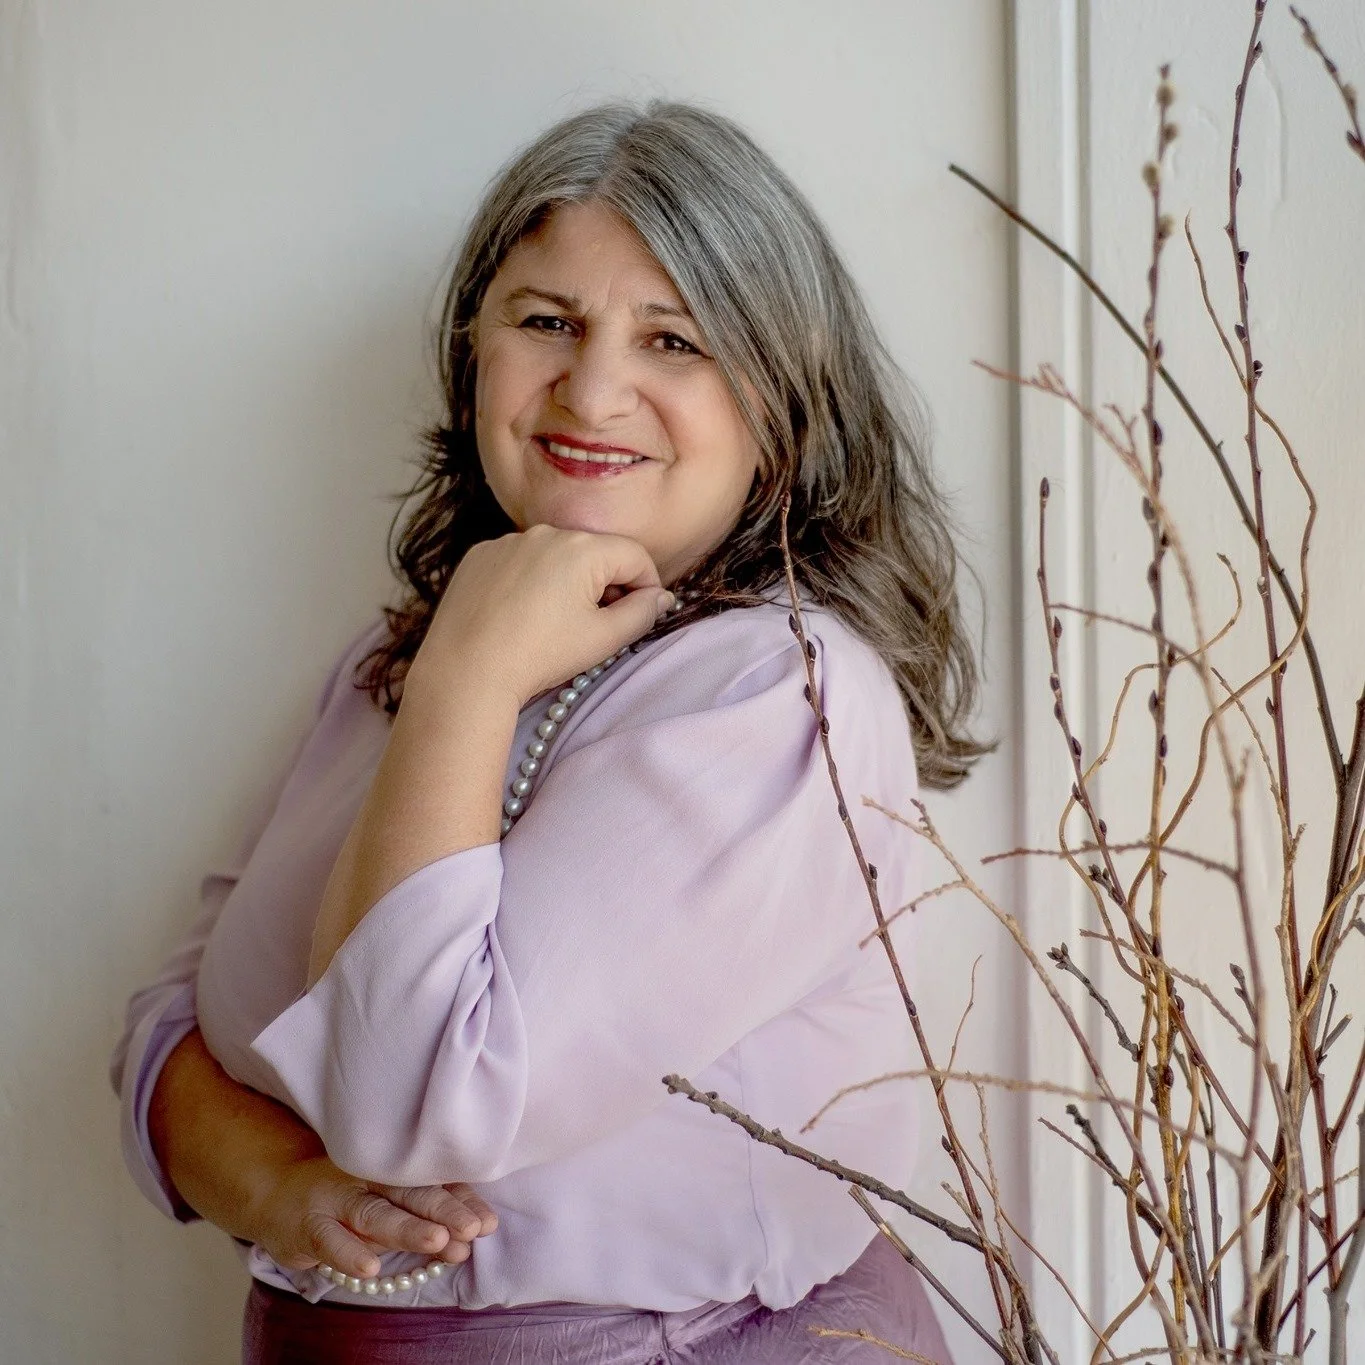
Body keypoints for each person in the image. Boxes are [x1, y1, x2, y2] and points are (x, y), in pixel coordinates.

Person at [111, 100, 987, 1363]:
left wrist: (469, 674)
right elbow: (171, 1016)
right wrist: (275, 1191)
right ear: (476, 350)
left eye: (674, 339)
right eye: (545, 321)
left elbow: (413, 1109)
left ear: (783, 402)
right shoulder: (388, 662)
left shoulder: (773, 695)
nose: (593, 388)